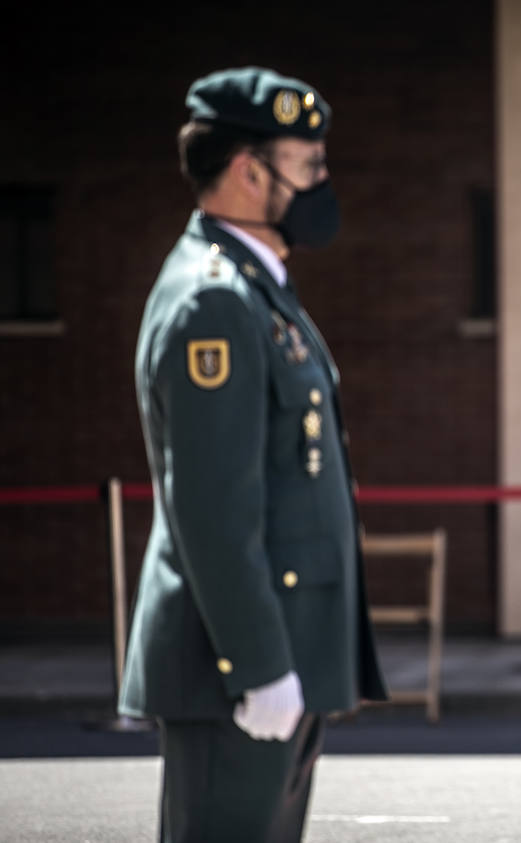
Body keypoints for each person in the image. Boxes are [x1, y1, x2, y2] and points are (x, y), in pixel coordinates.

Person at [118, 67, 386, 843]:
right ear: (247, 172)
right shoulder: (214, 300)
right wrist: (259, 664)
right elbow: (211, 509)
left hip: (279, 659)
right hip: (237, 670)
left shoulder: (256, 289)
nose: (322, 183)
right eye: (308, 167)